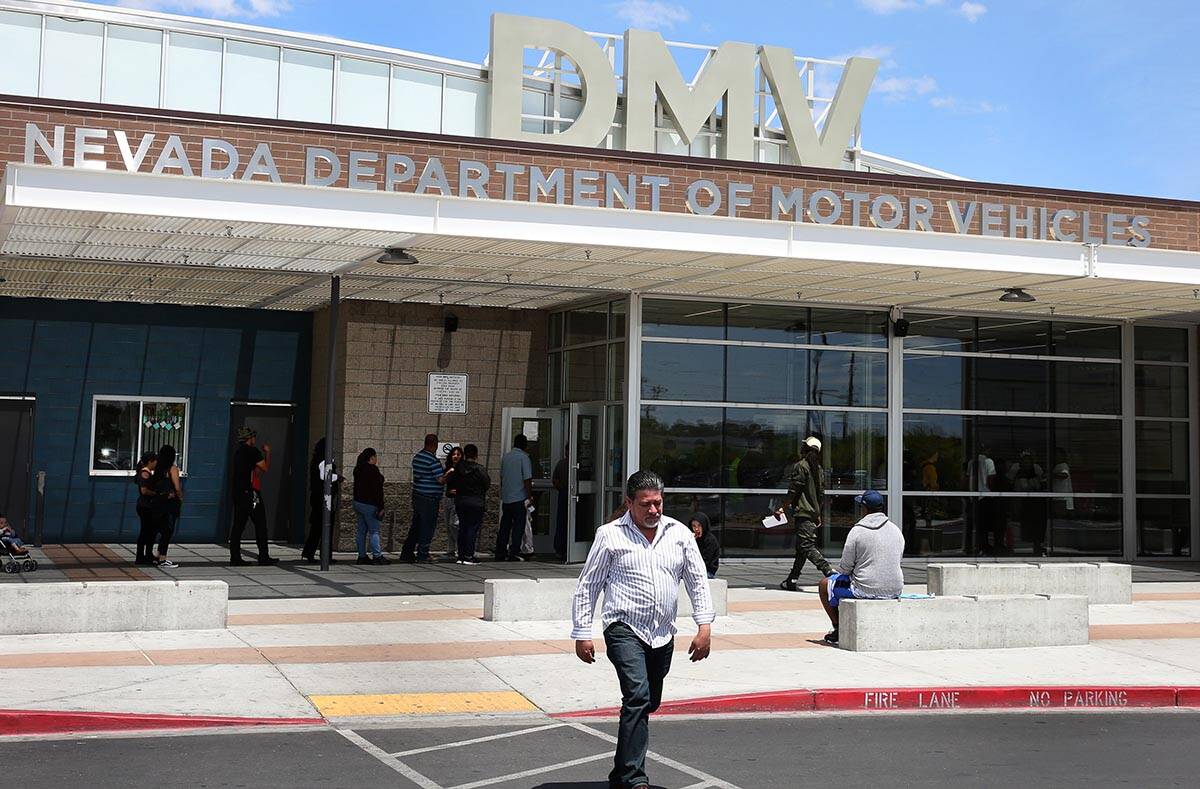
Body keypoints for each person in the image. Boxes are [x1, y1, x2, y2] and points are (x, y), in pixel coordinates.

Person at [572, 470, 714, 789]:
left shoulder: (679, 534)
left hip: (662, 633)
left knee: (648, 701)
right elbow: (588, 586)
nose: (653, 511)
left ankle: (622, 769)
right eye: (645, 505)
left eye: (658, 503)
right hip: (623, 627)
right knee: (636, 696)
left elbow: (697, 582)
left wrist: (704, 626)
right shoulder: (609, 535)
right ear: (629, 503)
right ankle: (633, 777)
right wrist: (583, 632)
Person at [817, 490, 904, 645]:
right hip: (894, 589)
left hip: (865, 589)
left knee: (825, 585)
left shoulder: (857, 531)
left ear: (864, 509)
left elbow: (845, 568)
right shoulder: (896, 530)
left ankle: (838, 628)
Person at [777, 436, 833, 590]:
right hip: (811, 513)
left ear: (807, 449)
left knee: (806, 546)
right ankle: (792, 580)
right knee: (801, 548)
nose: (801, 448)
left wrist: (783, 507)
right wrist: (818, 513)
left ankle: (829, 571)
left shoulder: (801, 466)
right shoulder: (818, 469)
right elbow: (820, 494)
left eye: (803, 446)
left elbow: (794, 489)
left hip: (803, 513)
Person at [229, 427, 277, 566]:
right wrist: (267, 453)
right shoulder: (253, 451)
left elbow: (252, 471)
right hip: (251, 493)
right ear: (251, 438)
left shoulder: (238, 452)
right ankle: (263, 556)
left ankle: (235, 557)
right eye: (254, 436)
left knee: (238, 526)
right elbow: (264, 468)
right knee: (261, 524)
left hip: (238, 493)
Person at [400, 434, 444, 563]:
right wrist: (448, 473)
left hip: (418, 495)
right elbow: (440, 480)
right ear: (435, 444)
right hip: (429, 497)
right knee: (427, 526)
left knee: (416, 525)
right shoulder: (432, 460)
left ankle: (407, 552)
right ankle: (423, 554)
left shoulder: (417, 457)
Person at [302, 438, 339, 564]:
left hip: (319, 498)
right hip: (324, 499)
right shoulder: (323, 460)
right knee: (325, 526)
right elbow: (324, 476)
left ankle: (310, 552)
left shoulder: (318, 459)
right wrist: (337, 477)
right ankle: (324, 555)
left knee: (317, 527)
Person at [496, 434, 533, 562]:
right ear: (524, 445)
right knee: (518, 526)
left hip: (507, 498)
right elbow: (527, 479)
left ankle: (500, 552)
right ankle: (514, 552)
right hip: (519, 498)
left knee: (505, 526)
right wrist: (529, 496)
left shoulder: (506, 457)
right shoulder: (524, 458)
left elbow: (502, 477)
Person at [452, 443, 490, 565]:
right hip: (476, 502)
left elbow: (453, 481)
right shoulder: (480, 469)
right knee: (472, 528)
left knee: (462, 527)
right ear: (476, 455)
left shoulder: (458, 468)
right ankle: (469, 555)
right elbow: (486, 484)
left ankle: (461, 555)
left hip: (461, 501)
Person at [353, 447, 388, 565]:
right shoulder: (373, 470)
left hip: (358, 503)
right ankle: (377, 556)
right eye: (376, 457)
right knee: (374, 531)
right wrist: (381, 506)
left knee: (361, 531)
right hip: (370, 504)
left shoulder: (358, 469)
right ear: (372, 457)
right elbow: (377, 490)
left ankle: (361, 556)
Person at [149, 444, 182, 568]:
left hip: (159, 503)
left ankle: (157, 556)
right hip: (170, 504)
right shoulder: (172, 469)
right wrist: (180, 496)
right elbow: (177, 487)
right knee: (168, 531)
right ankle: (162, 558)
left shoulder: (158, 469)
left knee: (161, 530)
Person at [133, 451, 159, 565]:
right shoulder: (145, 473)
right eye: (155, 461)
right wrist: (156, 494)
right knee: (146, 531)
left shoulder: (146, 472)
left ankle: (146, 555)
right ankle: (142, 556)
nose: (156, 463)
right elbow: (144, 490)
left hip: (145, 506)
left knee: (149, 531)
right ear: (150, 462)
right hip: (145, 506)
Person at [441, 446, 463, 561]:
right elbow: (443, 481)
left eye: (458, 454)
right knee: (447, 525)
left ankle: (461, 548)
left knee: (454, 524)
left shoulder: (463, 469)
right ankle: (450, 550)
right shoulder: (448, 468)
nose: (456, 456)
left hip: (458, 500)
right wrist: (448, 472)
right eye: (454, 454)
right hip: (448, 498)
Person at [689, 511, 720, 578]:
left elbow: (705, 561)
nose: (696, 529)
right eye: (694, 526)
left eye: (699, 526)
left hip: (707, 571)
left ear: (704, 525)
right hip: (693, 569)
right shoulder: (692, 538)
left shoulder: (710, 540)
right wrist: (690, 542)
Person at [552, 446, 569, 561]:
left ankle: (560, 549)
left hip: (564, 493)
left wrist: (561, 488)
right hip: (568, 494)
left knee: (562, 521)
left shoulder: (561, 463)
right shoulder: (565, 464)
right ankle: (563, 549)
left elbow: (555, 480)